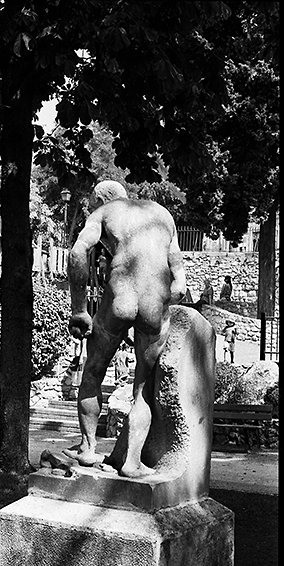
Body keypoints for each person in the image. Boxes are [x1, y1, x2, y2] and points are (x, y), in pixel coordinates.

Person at [65, 179, 186, 478]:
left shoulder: (105, 212)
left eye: (92, 204)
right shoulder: (162, 215)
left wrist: (79, 310)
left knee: (93, 370)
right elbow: (180, 284)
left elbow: (77, 253)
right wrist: (159, 302)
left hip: (119, 296)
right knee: (143, 388)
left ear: (100, 199)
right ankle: (132, 462)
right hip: (154, 304)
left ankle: (88, 448)